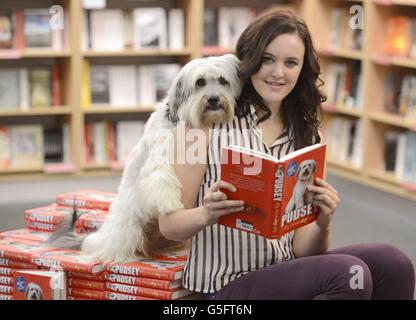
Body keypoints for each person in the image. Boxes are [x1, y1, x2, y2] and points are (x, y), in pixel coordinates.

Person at [159, 10, 415, 300]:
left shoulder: (309, 135)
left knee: (393, 263)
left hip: (284, 272)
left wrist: (323, 222)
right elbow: (169, 226)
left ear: (302, 69)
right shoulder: (196, 126)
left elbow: (304, 250)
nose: (278, 73)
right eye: (267, 59)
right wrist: (207, 213)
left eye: (290, 63)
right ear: (249, 60)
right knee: (349, 275)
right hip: (224, 288)